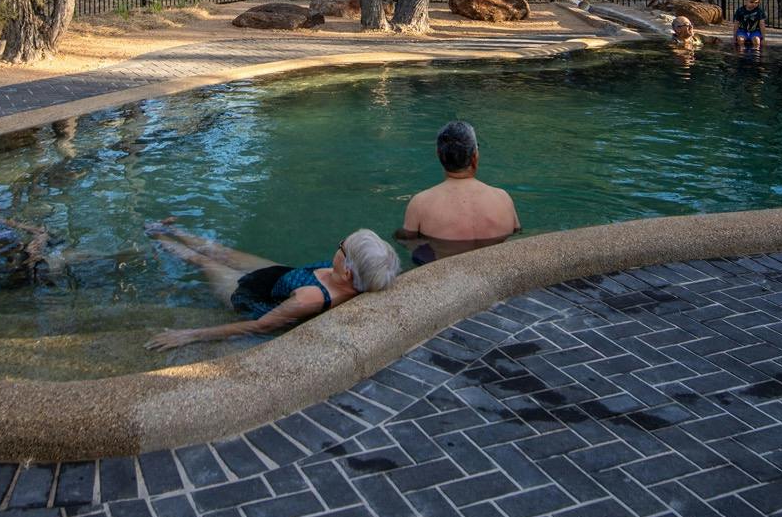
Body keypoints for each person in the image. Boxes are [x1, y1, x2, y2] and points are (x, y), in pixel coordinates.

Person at [143, 221, 399, 351]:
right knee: (218, 251)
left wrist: (188, 335)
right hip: (281, 277)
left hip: (249, 294)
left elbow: (259, 325)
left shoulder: (309, 299)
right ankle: (168, 228)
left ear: (347, 272)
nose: (339, 245)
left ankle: (154, 235)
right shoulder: (355, 275)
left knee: (201, 260)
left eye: (342, 247)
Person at [396, 121, 520, 264]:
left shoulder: (420, 204)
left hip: (449, 280)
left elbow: (409, 246)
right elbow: (518, 240)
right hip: (498, 278)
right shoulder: (503, 198)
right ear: (474, 155)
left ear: (439, 154)